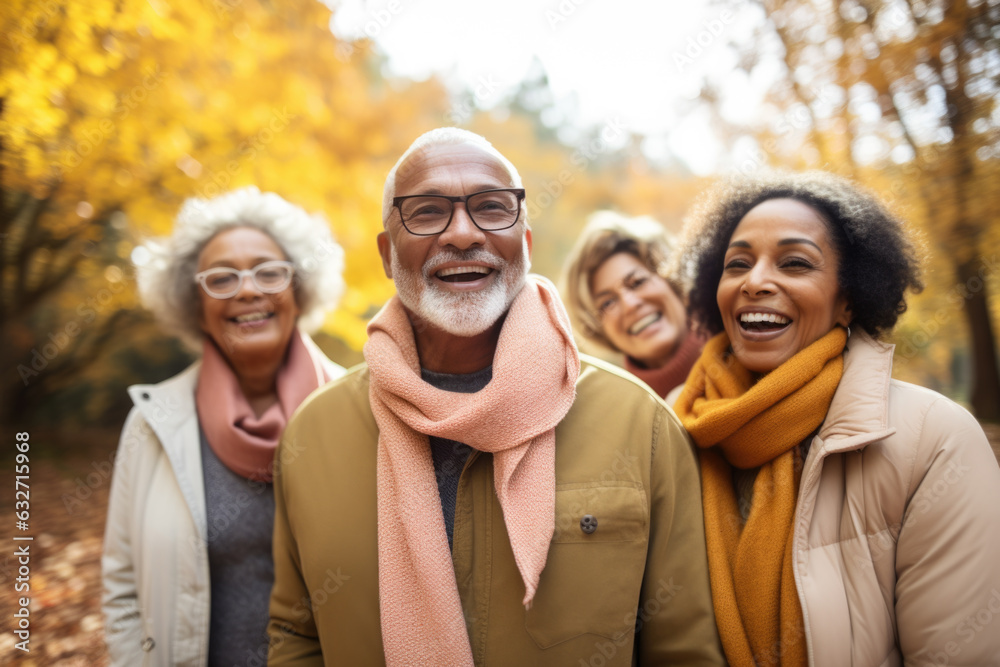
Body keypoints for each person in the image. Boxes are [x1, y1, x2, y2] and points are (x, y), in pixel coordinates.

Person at [266, 128, 724, 666]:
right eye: (429, 211)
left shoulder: (637, 422)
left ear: (525, 245)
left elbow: (682, 649)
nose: (462, 234)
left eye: (491, 207)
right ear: (388, 255)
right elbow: (297, 638)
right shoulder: (314, 434)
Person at [671, 170, 1000, 666]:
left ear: (848, 300)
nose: (756, 281)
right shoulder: (672, 426)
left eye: (795, 262)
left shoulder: (936, 438)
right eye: (737, 263)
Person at [101, 187, 346, 666]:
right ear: (193, 304)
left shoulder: (361, 410)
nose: (248, 289)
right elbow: (122, 587)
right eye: (221, 277)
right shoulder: (151, 424)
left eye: (269, 271)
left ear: (299, 289)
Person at [562, 211, 705, 402]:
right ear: (600, 330)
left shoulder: (745, 350)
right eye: (608, 303)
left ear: (672, 282)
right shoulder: (619, 418)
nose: (630, 304)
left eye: (637, 282)